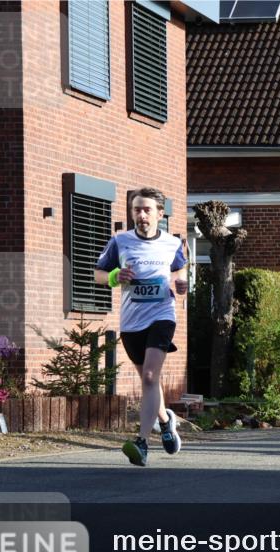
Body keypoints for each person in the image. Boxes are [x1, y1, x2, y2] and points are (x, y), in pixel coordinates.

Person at [94, 187, 187, 467]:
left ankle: (142, 442)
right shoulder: (120, 242)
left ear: (160, 214)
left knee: (148, 377)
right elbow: (98, 274)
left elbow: (180, 270)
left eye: (147, 210)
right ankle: (165, 421)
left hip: (162, 315)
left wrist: (182, 283)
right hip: (132, 321)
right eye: (137, 209)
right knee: (150, 382)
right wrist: (114, 275)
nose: (141, 215)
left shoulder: (172, 243)